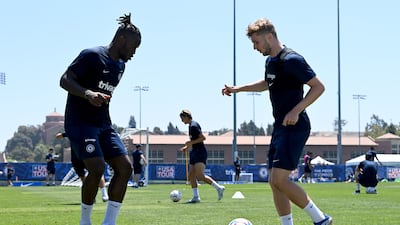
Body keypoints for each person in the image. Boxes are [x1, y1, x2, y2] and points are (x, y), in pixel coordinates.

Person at [221, 18, 332, 225]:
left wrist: (296, 110)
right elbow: (267, 83)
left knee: (280, 180)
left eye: (256, 42)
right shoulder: (270, 62)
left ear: (269, 37)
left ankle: (322, 220)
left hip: (295, 126)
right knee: (274, 182)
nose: (254, 47)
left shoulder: (292, 59)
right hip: (280, 127)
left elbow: (318, 87)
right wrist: (238, 89)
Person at [59, 13, 141, 225]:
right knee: (96, 168)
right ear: (121, 39)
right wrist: (88, 94)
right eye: (134, 46)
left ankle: (109, 223)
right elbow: (64, 79)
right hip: (80, 123)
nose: (134, 52)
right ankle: (85, 221)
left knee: (125, 168)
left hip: (103, 125)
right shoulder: (92, 55)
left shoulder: (121, 67)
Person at [179, 109, 225, 203]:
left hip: (200, 152)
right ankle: (196, 197)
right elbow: (195, 140)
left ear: (187, 116)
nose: (182, 120)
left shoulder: (194, 126)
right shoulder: (190, 126)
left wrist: (190, 143)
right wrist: (187, 147)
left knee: (200, 176)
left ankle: (219, 188)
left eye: (182, 118)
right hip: (194, 151)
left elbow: (203, 138)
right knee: (191, 174)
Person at [56, 132, 109, 202]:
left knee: (97, 172)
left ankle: (104, 193)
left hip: (88, 155)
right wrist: (62, 135)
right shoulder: (73, 131)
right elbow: (59, 136)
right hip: (76, 158)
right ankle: (91, 196)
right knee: (83, 178)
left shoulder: (88, 129)